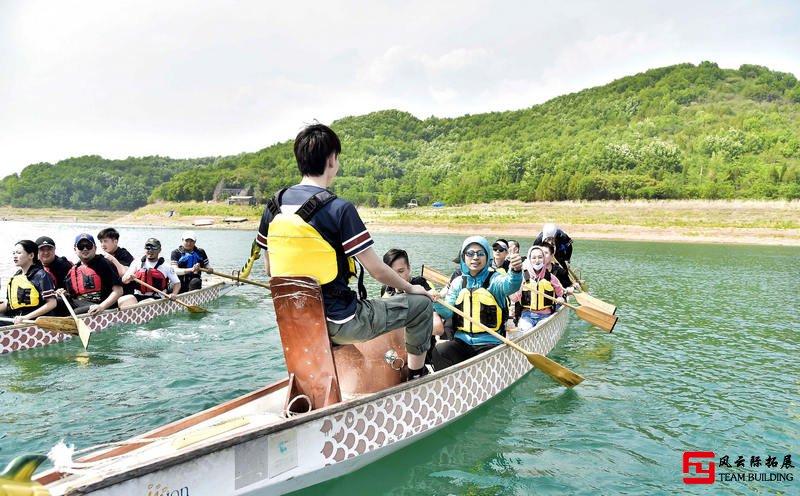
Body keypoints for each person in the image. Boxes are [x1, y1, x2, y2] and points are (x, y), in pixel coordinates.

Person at [255, 123, 435, 380]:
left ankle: (342, 386)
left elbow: (271, 271)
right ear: (332, 160)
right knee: (420, 306)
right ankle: (417, 376)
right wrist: (413, 289)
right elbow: (376, 270)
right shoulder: (339, 208)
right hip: (342, 321)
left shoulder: (273, 207)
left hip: (297, 321)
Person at [431, 236, 522, 370]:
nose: (475, 257)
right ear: (464, 257)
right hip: (462, 341)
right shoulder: (458, 283)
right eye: (470, 253)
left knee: (485, 360)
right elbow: (448, 311)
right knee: (440, 351)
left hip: (490, 343)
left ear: (487, 257)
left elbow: (510, 286)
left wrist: (515, 271)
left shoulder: (494, 280)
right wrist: (437, 302)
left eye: (480, 253)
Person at [381, 248, 445, 339]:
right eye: (391, 272)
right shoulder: (387, 289)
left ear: (409, 268)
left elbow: (438, 328)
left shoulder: (423, 287)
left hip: (421, 346)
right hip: (397, 346)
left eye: (401, 271)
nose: (396, 277)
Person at [64, 233, 123, 315]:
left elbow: (118, 291)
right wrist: (63, 293)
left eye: (88, 245)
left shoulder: (105, 264)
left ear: (95, 248)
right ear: (75, 249)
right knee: (58, 302)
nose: (85, 249)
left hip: (101, 306)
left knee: (76, 312)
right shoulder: (73, 270)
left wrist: (101, 306)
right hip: (81, 304)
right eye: (81, 246)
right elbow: (73, 297)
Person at [0, 240, 58, 323]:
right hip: (17, 318)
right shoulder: (17, 276)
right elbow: (9, 304)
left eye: (19, 253)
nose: (15, 256)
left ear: (31, 255)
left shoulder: (41, 276)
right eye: (14, 253)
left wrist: (26, 317)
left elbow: (52, 303)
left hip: (33, 321)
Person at [118, 238, 181, 309]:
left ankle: (136, 313)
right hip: (138, 295)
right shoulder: (136, 262)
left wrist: (174, 294)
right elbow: (124, 280)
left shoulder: (166, 266)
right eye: (148, 247)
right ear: (144, 249)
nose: (150, 250)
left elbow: (177, 283)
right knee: (122, 300)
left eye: (154, 247)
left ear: (159, 250)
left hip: (157, 298)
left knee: (143, 304)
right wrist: (128, 278)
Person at [515, 245, 565, 331]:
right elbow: (515, 298)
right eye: (534, 258)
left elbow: (561, 295)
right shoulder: (523, 277)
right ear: (529, 259)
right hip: (527, 315)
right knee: (524, 329)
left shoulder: (551, 278)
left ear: (544, 259)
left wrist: (561, 299)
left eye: (540, 257)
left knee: (540, 328)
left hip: (546, 315)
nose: (537, 260)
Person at [97, 227, 135, 295]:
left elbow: (124, 273)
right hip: (108, 293)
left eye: (105, 241)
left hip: (124, 293)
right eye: (101, 242)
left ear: (115, 242)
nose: (102, 245)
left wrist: (112, 259)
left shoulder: (124, 254)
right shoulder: (102, 256)